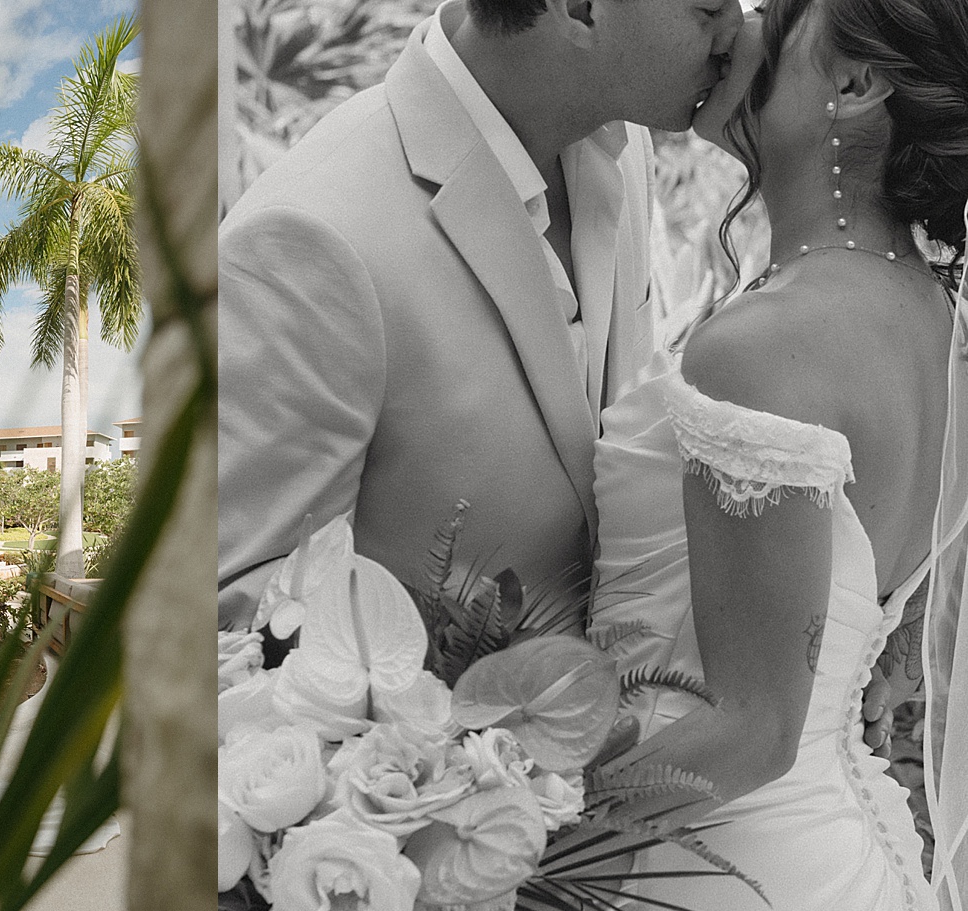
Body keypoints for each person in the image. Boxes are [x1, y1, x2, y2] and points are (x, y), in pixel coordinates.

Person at [550, 0, 967, 911]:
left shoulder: (767, 342)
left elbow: (751, 727)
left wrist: (489, 824)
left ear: (859, 89)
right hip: (828, 873)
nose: (745, 29)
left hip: (711, 902)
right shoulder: (928, 315)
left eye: (786, 25)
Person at [218, 0, 741, 630]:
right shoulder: (308, 239)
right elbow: (241, 615)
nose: (735, 28)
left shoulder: (623, 146)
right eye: (710, 6)